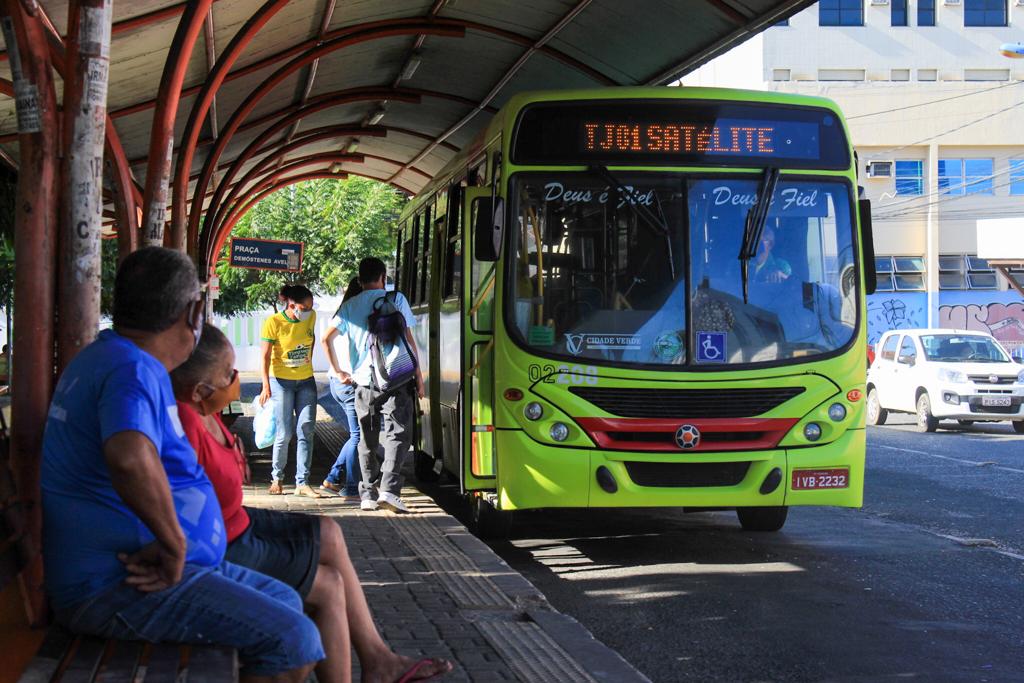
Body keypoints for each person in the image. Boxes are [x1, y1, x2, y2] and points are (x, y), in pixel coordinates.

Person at [40, 247, 323, 681]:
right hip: (113, 585)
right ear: (192, 311)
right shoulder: (131, 370)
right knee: (293, 641)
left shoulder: (113, 357)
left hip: (137, 571)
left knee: (286, 603)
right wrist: (174, 543)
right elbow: (129, 456)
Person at [171, 324, 452, 683]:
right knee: (328, 586)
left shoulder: (207, 414)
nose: (239, 378)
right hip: (224, 541)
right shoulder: (183, 423)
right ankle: (376, 664)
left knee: (330, 531)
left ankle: (378, 659)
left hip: (235, 523)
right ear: (200, 391)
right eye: (229, 373)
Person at [333, 257, 422, 513]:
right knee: (397, 433)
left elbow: (327, 337)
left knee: (366, 439)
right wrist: (419, 375)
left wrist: (339, 370)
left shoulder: (350, 305)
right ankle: (389, 491)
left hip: (363, 382)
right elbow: (408, 338)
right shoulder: (397, 300)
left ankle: (367, 495)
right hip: (396, 378)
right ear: (384, 276)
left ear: (360, 281)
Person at [259, 283, 321, 498]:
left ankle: (302, 483)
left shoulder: (310, 318)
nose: (307, 312)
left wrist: (308, 361)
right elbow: (265, 356)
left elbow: (311, 340)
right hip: (281, 381)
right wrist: (265, 385)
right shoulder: (273, 322)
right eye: (303, 308)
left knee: (306, 430)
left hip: (306, 380)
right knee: (284, 433)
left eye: (310, 308)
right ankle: (277, 478)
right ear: (291, 305)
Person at [320, 277, 364, 499]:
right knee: (358, 435)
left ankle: (333, 477)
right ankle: (349, 485)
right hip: (346, 383)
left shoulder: (342, 314)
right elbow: (324, 340)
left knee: (356, 434)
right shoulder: (351, 314)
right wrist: (339, 370)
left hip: (338, 382)